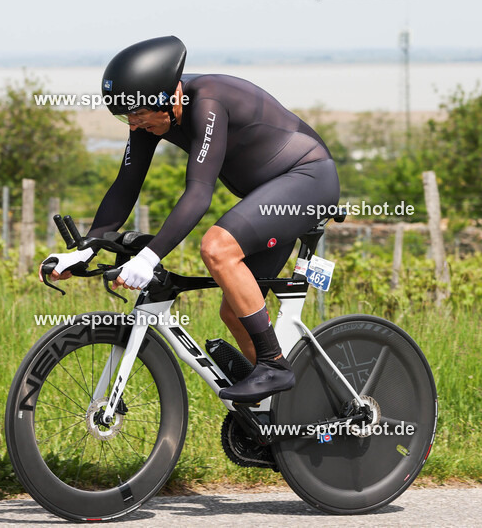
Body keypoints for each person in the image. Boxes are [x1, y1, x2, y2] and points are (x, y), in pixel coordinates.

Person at [41, 36, 340, 402]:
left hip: (308, 180)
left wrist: (149, 258)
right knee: (235, 312)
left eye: (137, 115)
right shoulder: (150, 119)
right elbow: (125, 185)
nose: (133, 125)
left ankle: (274, 368)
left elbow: (198, 193)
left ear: (166, 98)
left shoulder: (208, 102)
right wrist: (84, 249)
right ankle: (290, 414)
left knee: (217, 248)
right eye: (125, 117)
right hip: (268, 193)